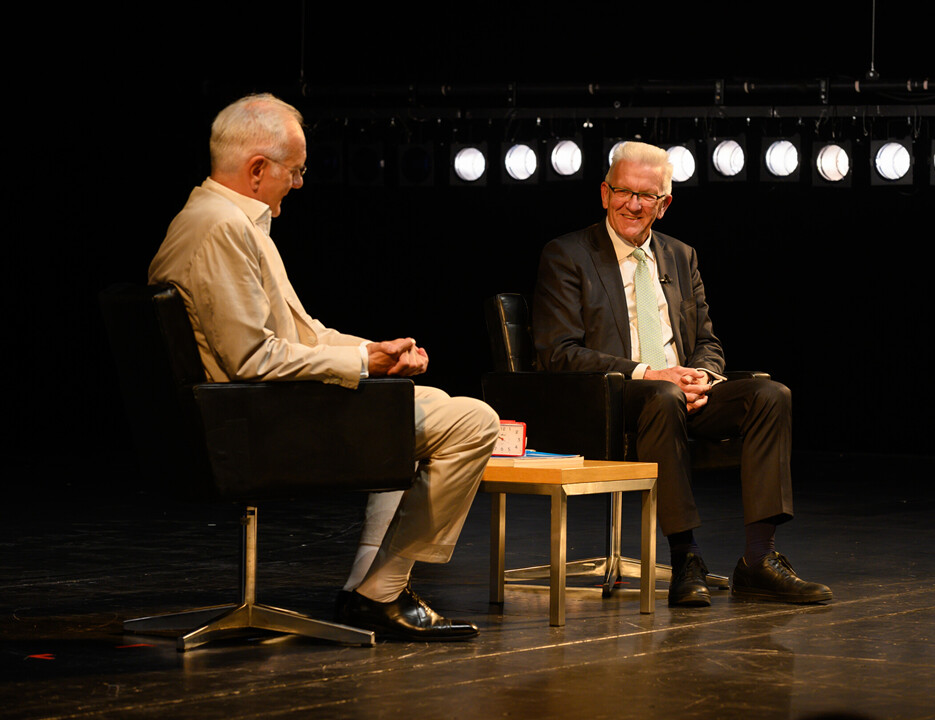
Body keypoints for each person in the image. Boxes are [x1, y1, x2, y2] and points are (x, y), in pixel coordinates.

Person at [149, 93, 500, 640]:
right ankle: (380, 592)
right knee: (473, 422)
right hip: (255, 426)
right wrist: (361, 362)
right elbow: (253, 358)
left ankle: (367, 589)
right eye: (295, 170)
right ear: (257, 169)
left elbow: (301, 333)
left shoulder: (223, 221)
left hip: (258, 410)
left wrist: (377, 354)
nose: (299, 183)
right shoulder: (221, 228)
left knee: (427, 403)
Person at [532, 141, 831, 606]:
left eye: (646, 196)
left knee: (771, 395)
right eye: (623, 191)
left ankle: (759, 559)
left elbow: (707, 341)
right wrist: (651, 375)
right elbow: (559, 354)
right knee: (664, 397)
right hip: (609, 400)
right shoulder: (567, 254)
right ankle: (686, 556)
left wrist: (702, 377)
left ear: (664, 204)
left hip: (678, 392)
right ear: (605, 193)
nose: (633, 204)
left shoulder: (680, 255)